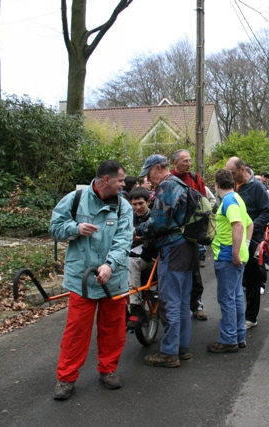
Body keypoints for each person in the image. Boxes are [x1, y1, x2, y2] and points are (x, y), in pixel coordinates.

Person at [49, 160, 133, 401]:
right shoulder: (75, 198)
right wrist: (75, 228)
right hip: (82, 279)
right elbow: (54, 227)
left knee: (113, 327)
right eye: (120, 180)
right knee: (76, 330)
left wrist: (110, 265)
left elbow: (124, 240)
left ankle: (108, 370)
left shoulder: (123, 207)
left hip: (113, 279)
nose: (123, 184)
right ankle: (66, 378)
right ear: (106, 179)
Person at [135, 154, 195, 368]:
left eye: (149, 173)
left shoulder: (167, 186)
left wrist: (138, 230)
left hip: (173, 248)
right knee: (182, 301)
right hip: (188, 246)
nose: (148, 179)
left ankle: (169, 353)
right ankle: (182, 347)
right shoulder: (181, 184)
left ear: (159, 168)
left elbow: (158, 222)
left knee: (169, 300)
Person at [208, 169, 254, 353]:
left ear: (216, 185)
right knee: (235, 297)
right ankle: (238, 335)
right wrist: (245, 244)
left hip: (228, 256)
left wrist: (235, 253)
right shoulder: (237, 198)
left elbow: (239, 225)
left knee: (227, 298)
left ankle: (228, 339)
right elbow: (250, 224)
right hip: (236, 254)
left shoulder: (228, 201)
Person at [225, 157, 269, 329]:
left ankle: (251, 317)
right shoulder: (232, 187)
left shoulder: (258, 188)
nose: (230, 176)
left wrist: (249, 228)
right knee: (236, 278)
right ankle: (236, 316)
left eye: (233, 173)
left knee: (252, 279)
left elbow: (267, 213)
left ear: (243, 169)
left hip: (252, 239)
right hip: (233, 237)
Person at [170, 149, 208, 320]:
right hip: (173, 233)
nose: (188, 164)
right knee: (175, 272)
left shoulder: (195, 179)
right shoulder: (169, 179)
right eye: (184, 161)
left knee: (194, 271)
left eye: (189, 160)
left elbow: (204, 202)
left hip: (193, 233)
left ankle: (196, 304)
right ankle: (174, 306)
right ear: (175, 162)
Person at [126, 187, 158, 329]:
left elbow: (152, 242)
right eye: (134, 204)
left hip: (151, 260)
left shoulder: (154, 218)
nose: (138, 207)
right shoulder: (128, 218)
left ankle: (136, 307)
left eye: (141, 203)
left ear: (148, 201)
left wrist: (142, 237)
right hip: (132, 257)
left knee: (131, 262)